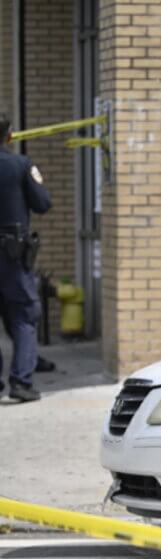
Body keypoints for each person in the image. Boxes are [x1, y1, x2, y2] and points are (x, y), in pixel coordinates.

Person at [0, 113, 52, 403]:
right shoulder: (20, 166)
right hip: (10, 255)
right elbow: (43, 203)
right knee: (24, 315)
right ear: (9, 136)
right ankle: (20, 381)